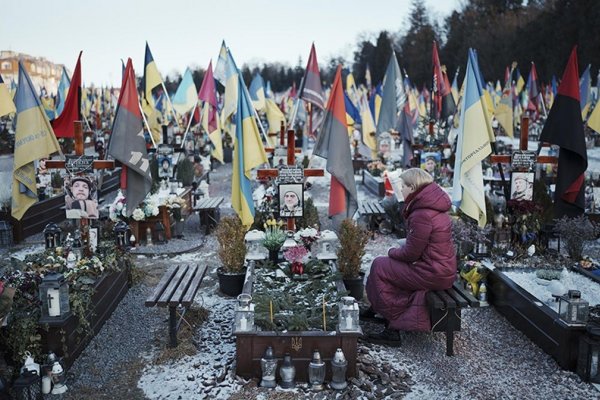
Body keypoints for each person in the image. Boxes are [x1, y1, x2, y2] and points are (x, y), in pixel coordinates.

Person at [362, 168, 456, 346]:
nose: (401, 190)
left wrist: (392, 251)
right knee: (389, 268)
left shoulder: (422, 213)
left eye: (403, 186)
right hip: (441, 270)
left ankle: (391, 321)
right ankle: (378, 309)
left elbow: (411, 253)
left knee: (380, 265)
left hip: (431, 272)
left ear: (413, 188)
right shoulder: (433, 207)